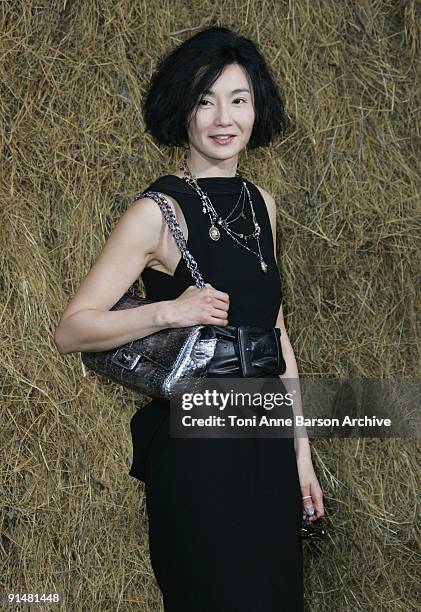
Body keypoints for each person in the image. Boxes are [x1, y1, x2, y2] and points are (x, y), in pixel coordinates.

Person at [54, 26, 324, 612]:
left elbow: (275, 333)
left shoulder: (261, 205)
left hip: (266, 442)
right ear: (183, 109)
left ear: (258, 108)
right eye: (205, 100)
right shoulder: (158, 211)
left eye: (238, 99)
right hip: (198, 452)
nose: (222, 117)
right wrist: (168, 310)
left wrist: (301, 456)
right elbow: (72, 328)